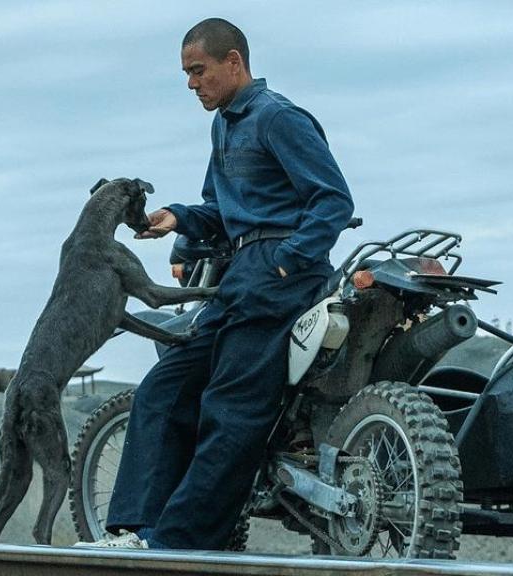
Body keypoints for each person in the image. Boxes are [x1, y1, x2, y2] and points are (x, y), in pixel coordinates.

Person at [83, 18, 354, 550]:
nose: (191, 83)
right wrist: (177, 218)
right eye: (186, 73)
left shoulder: (278, 118)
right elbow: (219, 210)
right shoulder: (224, 125)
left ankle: (175, 544)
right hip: (236, 281)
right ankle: (137, 532)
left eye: (198, 70)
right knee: (164, 387)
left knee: (230, 409)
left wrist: (286, 260)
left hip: (279, 281)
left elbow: (334, 201)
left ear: (234, 62)